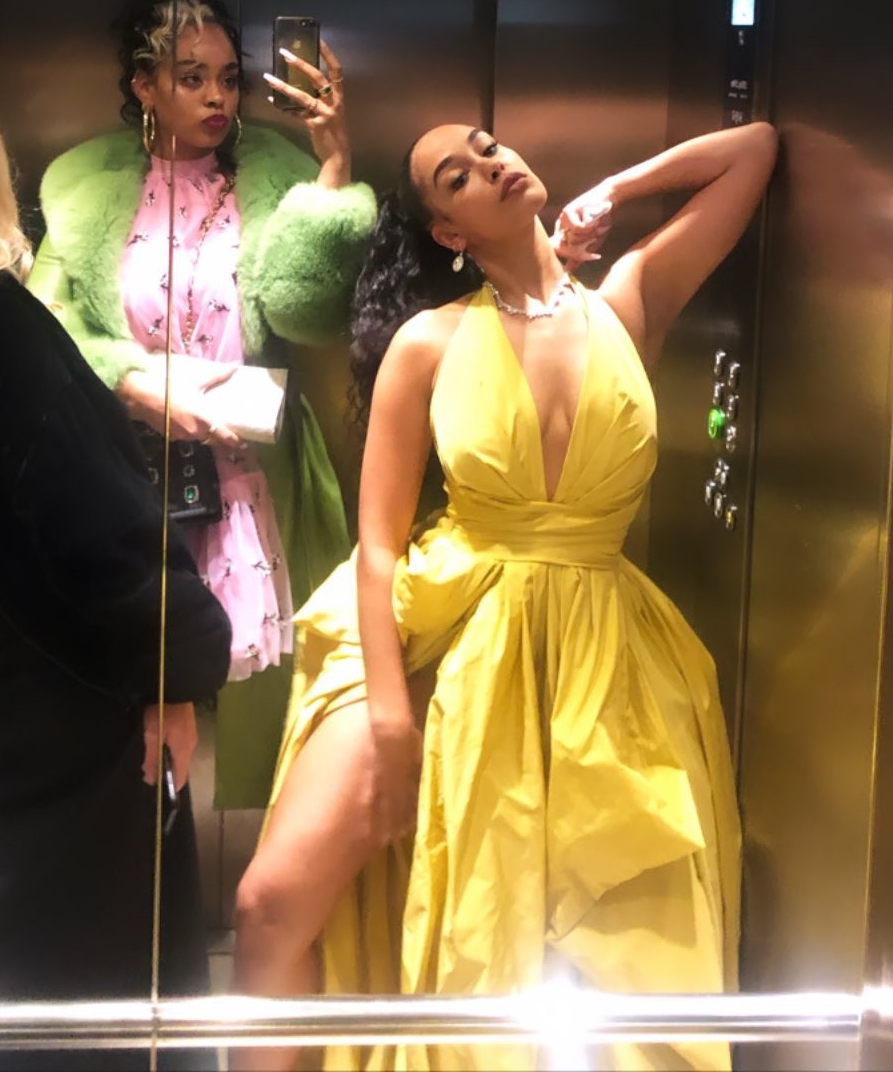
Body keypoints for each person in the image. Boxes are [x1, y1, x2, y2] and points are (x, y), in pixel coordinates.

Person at [231, 117, 780, 1072]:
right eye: (458, 176)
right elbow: (376, 544)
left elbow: (756, 149)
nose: (489, 165)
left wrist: (613, 191)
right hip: (445, 620)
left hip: (601, 650)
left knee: (588, 958)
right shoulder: (429, 342)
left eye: (488, 147)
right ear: (450, 233)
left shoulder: (628, 302)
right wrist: (391, 718)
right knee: (269, 903)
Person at [0, 75, 232, 1062]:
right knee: (6, 1010)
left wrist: (170, 670)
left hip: (63, 717)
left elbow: (92, 501)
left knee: (33, 1012)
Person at [29, 0, 377, 810]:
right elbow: (45, 331)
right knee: (124, 707)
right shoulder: (82, 189)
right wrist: (136, 381)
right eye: (191, 78)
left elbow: (308, 313)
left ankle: (242, 864)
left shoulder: (272, 178)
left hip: (244, 478)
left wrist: (333, 171)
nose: (218, 97)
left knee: (254, 723)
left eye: (227, 77)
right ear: (144, 85)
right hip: (123, 474)